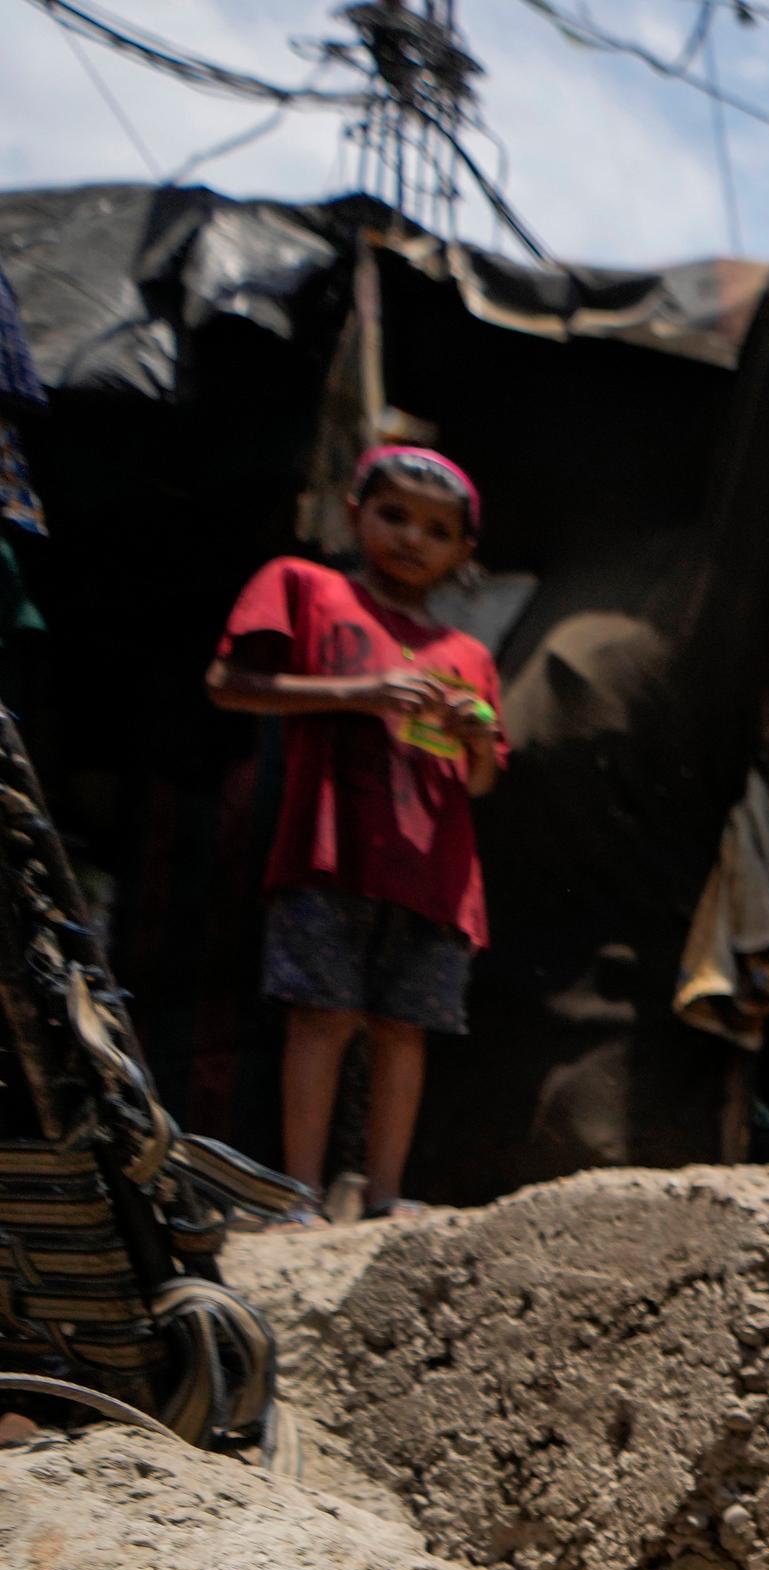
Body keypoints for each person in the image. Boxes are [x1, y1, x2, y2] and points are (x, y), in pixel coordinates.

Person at [203, 445, 505, 1218]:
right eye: (394, 515)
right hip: (328, 847)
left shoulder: (467, 655)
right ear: (353, 513)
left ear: (462, 553)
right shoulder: (305, 587)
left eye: (437, 531)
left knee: (406, 1029)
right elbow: (229, 686)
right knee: (323, 1016)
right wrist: (361, 692)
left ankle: (383, 1198)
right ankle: (299, 1194)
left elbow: (482, 781)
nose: (411, 539)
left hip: (433, 870)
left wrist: (474, 734)